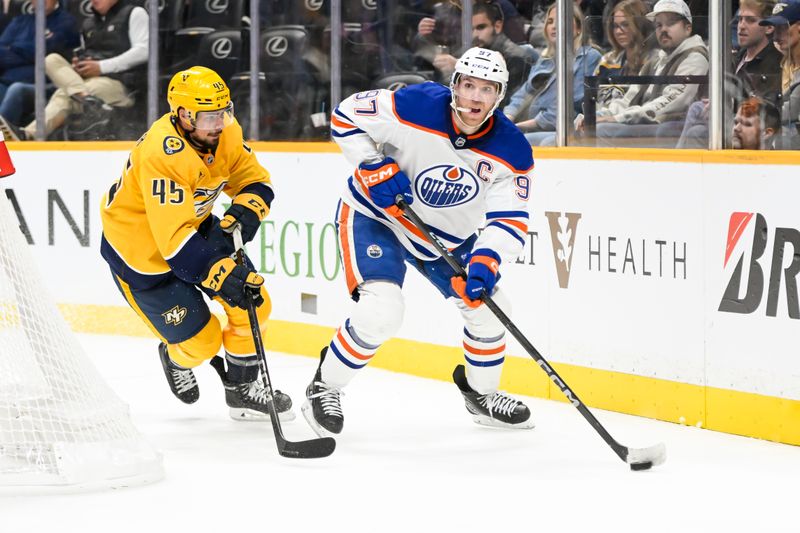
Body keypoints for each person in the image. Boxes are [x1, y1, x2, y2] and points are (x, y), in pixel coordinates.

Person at [304, 47, 535, 437]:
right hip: (378, 217)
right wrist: (371, 163)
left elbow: (508, 218)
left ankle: (481, 396)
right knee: (383, 310)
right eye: (469, 86)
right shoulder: (415, 104)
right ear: (454, 84)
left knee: (492, 309)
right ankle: (325, 386)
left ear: (501, 95)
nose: (475, 98)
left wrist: (486, 261)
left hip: (444, 237)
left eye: (487, 89)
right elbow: (346, 115)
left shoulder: (511, 150)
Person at [99, 66, 293, 421]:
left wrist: (247, 209)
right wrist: (220, 274)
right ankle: (174, 358)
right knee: (202, 343)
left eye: (224, 111)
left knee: (254, 304)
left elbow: (254, 180)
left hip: (194, 230)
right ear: (183, 115)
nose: (219, 123)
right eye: (208, 116)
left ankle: (242, 389)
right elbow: (174, 246)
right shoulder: (163, 153)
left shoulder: (225, 130)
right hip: (142, 254)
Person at [0, 0, 147, 141]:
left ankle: (29, 135)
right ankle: (86, 100)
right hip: (86, 80)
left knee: (65, 93)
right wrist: (80, 64)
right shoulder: (89, 24)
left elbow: (144, 51)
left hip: (119, 83)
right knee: (51, 59)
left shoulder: (134, 13)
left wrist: (101, 66)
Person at [595, 0, 709, 148]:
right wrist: (598, 115)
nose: (663, 29)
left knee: (605, 131)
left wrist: (618, 118)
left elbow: (671, 103)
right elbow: (629, 98)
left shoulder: (695, 57)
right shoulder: (656, 60)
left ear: (688, 28)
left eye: (671, 23)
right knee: (593, 126)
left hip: (673, 124)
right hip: (652, 121)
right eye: (659, 25)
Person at [676, 0, 782, 148]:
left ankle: (679, 162)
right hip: (729, 117)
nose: (741, 26)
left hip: (749, 125)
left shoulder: (775, 61)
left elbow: (766, 107)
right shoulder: (734, 57)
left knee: (697, 127)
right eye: (739, 20)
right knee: (695, 115)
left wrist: (724, 106)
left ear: (769, 27)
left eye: (750, 20)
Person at [502, 2, 602, 146]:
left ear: (579, 28)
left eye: (561, 20)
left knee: (524, 142)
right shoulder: (545, 60)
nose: (554, 26)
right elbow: (522, 95)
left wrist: (517, 127)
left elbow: (570, 108)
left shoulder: (590, 56)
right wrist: (507, 119)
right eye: (550, 22)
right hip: (532, 127)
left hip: (566, 129)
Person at [574, 0, 657, 135]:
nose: (619, 31)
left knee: (598, 131)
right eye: (615, 26)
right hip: (603, 118)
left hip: (632, 123)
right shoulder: (608, 60)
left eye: (625, 25)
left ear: (640, 26)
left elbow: (635, 104)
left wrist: (600, 118)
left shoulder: (653, 60)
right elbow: (591, 98)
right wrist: (589, 116)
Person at [0, 0, 78, 132]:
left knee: (16, 89)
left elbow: (43, 50)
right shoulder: (19, 21)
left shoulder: (66, 21)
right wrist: (28, 52)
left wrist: (13, 48)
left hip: (44, 86)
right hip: (6, 81)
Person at [429, 1, 537, 97]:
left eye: (481, 27)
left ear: (497, 27)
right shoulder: (469, 51)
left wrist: (461, 67)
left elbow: (502, 105)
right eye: (470, 29)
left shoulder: (516, 58)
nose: (474, 35)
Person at [760, 0, 800, 149]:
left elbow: (791, 112)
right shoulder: (776, 63)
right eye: (774, 29)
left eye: (783, 28)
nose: (776, 36)